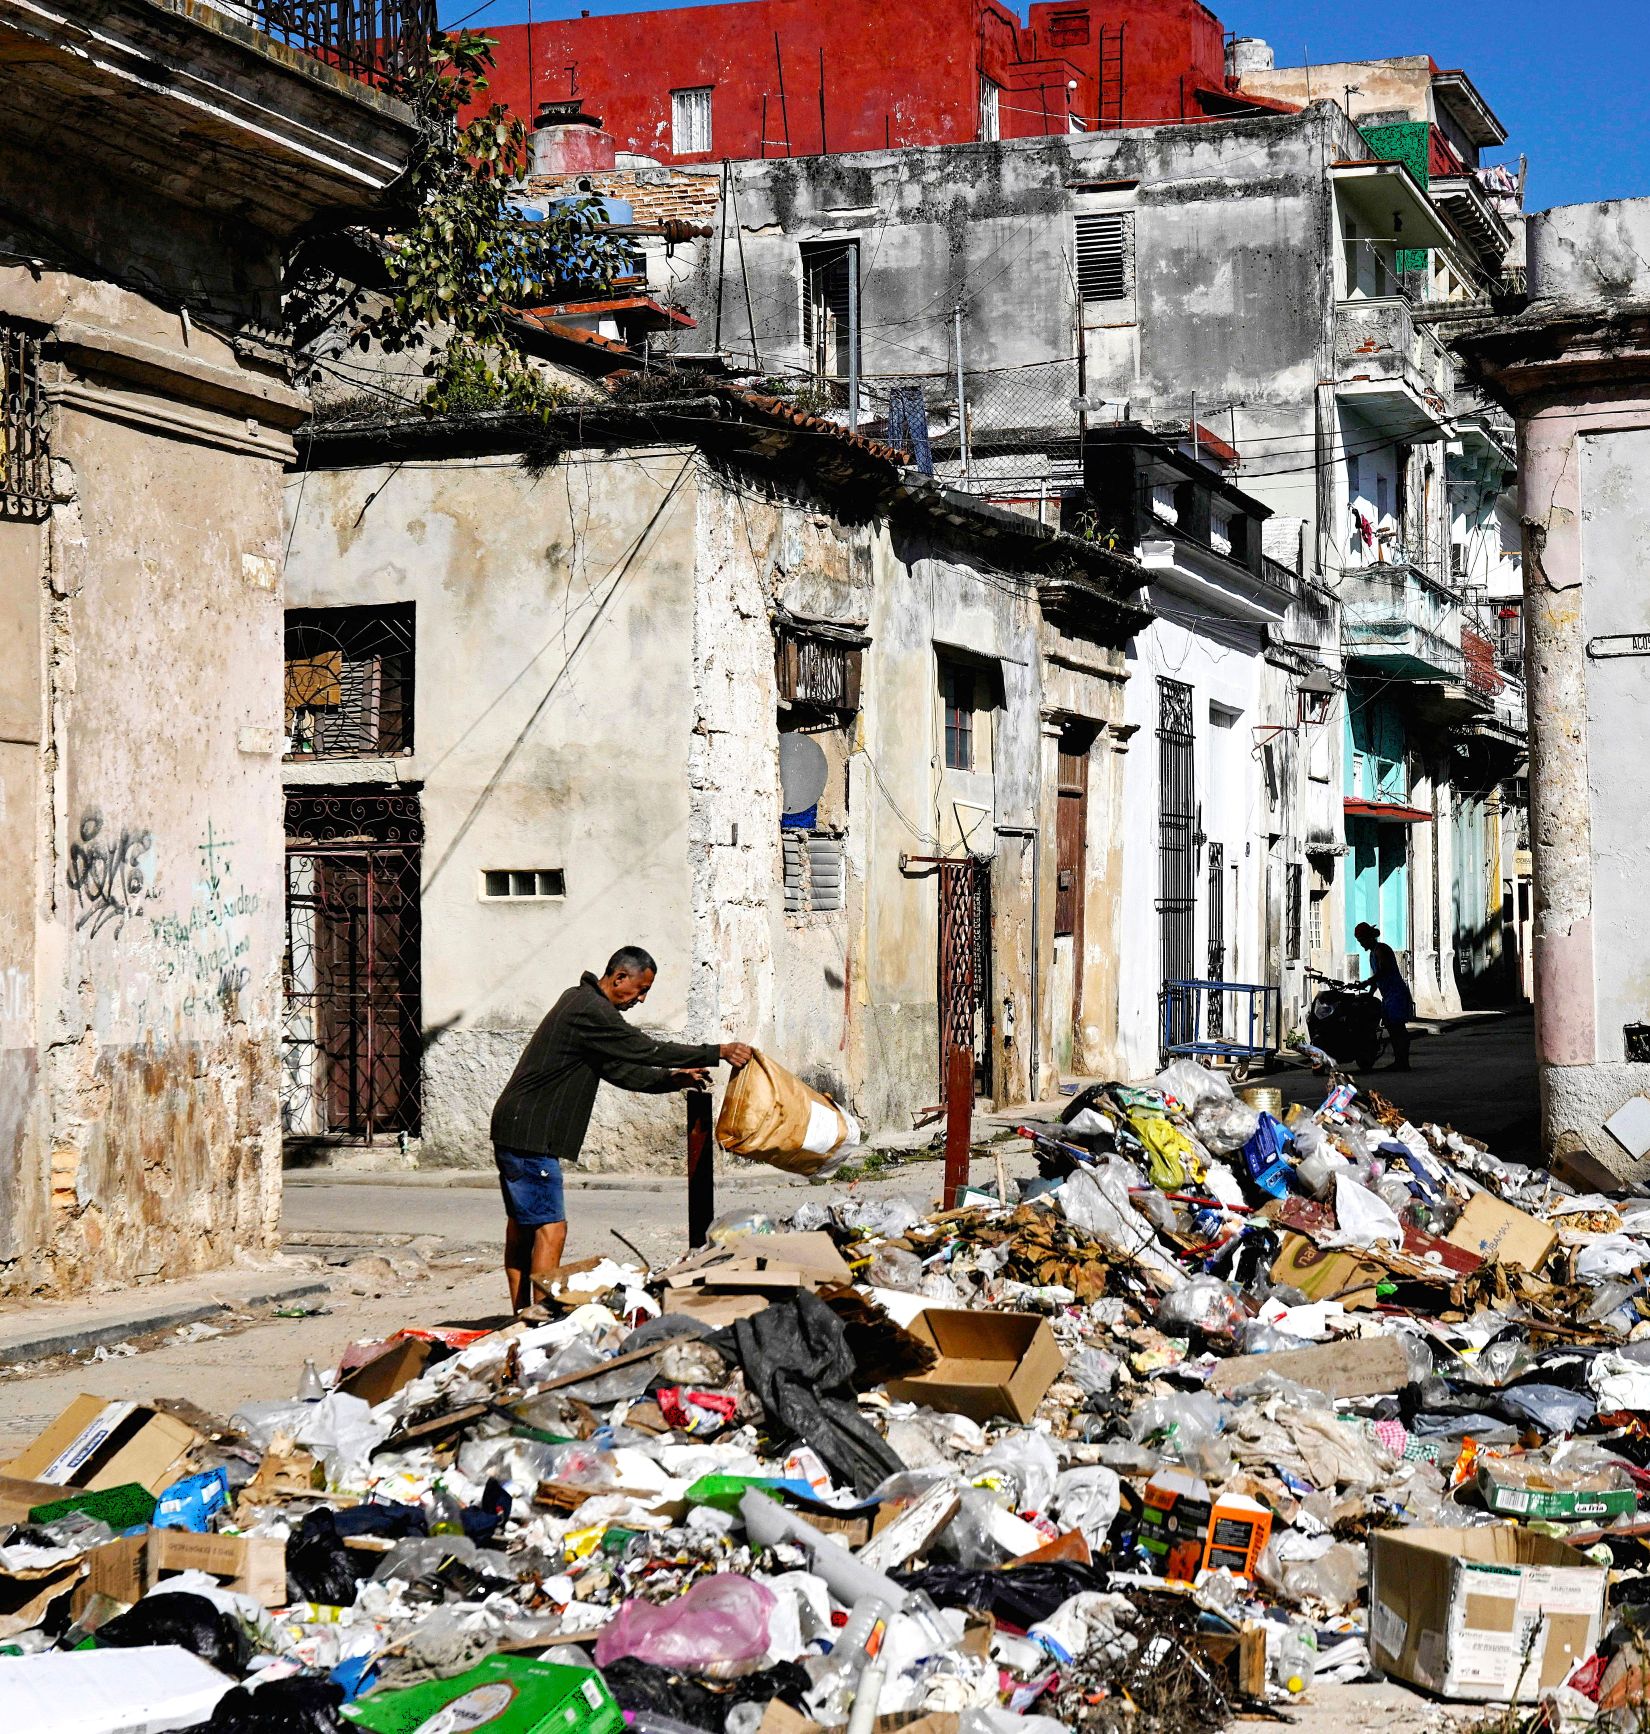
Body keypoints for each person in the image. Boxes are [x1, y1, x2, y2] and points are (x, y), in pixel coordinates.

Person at [490, 946, 752, 1310]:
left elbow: (619, 1070)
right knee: (551, 1229)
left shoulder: (580, 1004)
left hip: (516, 1126)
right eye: (640, 990)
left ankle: (521, 1315)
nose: (641, 999)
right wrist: (716, 1051)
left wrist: (672, 1080)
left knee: (523, 1228)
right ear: (619, 978)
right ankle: (540, 1320)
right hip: (531, 1133)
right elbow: (644, 1049)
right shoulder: (590, 1009)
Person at [1354, 921, 1414, 1071]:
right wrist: (1370, 992)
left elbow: (1384, 971)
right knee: (1392, 1028)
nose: (1361, 944)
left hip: (1396, 993)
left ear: (1369, 938)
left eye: (1362, 941)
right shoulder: (1373, 953)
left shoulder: (1381, 949)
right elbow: (1378, 976)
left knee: (1398, 1029)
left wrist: (1367, 982)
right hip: (1388, 995)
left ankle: (1403, 1062)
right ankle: (1400, 1060)